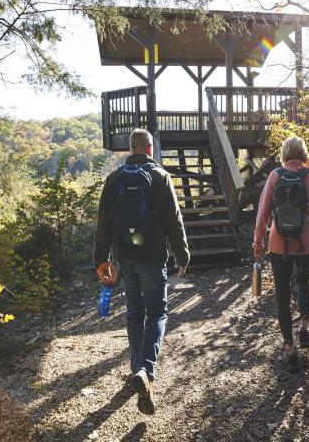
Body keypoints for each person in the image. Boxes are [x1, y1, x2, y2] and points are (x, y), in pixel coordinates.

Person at [94, 128, 190, 415]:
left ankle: (136, 368)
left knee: (134, 314)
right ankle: (146, 370)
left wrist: (101, 261)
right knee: (157, 313)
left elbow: (103, 224)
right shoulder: (160, 177)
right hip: (152, 258)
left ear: (130, 149)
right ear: (149, 149)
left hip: (125, 259)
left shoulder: (113, 180)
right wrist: (182, 253)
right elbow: (173, 218)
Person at [253, 135, 309, 370]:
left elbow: (263, 213)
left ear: (285, 154)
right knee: (303, 282)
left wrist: (258, 243)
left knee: (282, 296)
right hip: (306, 242)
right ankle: (304, 327)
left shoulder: (275, 176)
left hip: (278, 243)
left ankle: (290, 349)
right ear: (304, 155)